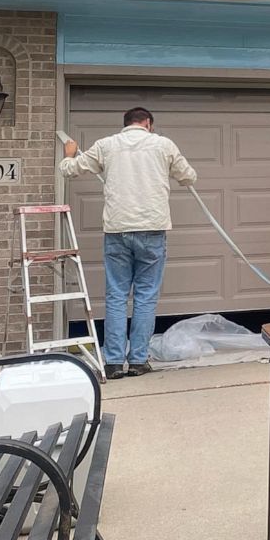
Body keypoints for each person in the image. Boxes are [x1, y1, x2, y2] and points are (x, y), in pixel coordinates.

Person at [60, 107, 197, 380]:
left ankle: (112, 362)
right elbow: (189, 176)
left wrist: (69, 153)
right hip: (152, 229)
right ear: (148, 123)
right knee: (146, 296)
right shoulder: (162, 144)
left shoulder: (107, 145)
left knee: (116, 295)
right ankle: (137, 361)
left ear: (127, 124)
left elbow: (70, 170)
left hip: (118, 230)